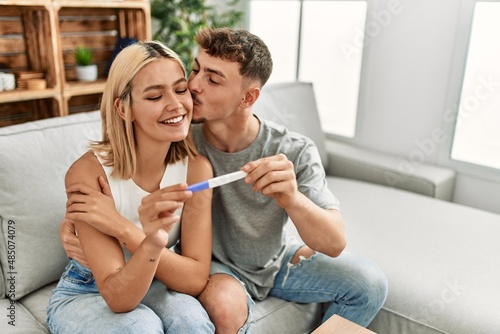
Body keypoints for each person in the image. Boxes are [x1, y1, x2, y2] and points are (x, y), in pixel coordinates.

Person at [61, 28, 388, 333]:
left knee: (369, 284)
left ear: (248, 98)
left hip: (271, 259)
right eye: (195, 70)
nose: (192, 86)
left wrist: (292, 198)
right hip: (214, 267)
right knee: (218, 308)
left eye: (212, 79)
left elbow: (334, 242)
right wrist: (76, 222)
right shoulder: (178, 133)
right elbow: (125, 139)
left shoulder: (289, 150)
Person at [47, 41, 215, 334]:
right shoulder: (88, 174)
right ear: (123, 109)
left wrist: (122, 228)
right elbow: (118, 297)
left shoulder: (196, 168)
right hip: (90, 288)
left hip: (157, 276)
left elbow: (195, 278)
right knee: (140, 328)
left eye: (180, 89)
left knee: (193, 324)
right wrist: (149, 240)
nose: (175, 105)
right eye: (154, 96)